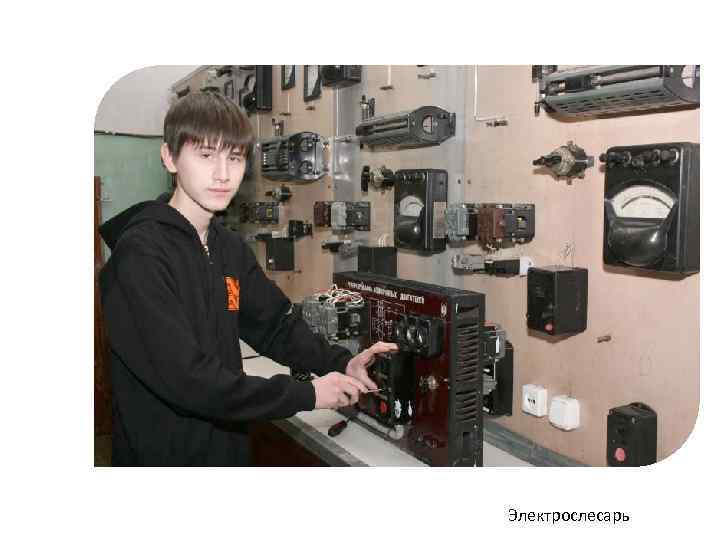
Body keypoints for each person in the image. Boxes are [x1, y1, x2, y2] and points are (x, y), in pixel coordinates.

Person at [99, 91, 397, 466]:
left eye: (235, 157)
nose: (223, 174)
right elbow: (188, 380)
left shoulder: (227, 247)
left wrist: (340, 363)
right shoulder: (140, 257)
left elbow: (274, 325)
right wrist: (307, 394)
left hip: (227, 452)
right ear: (170, 157)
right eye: (206, 155)